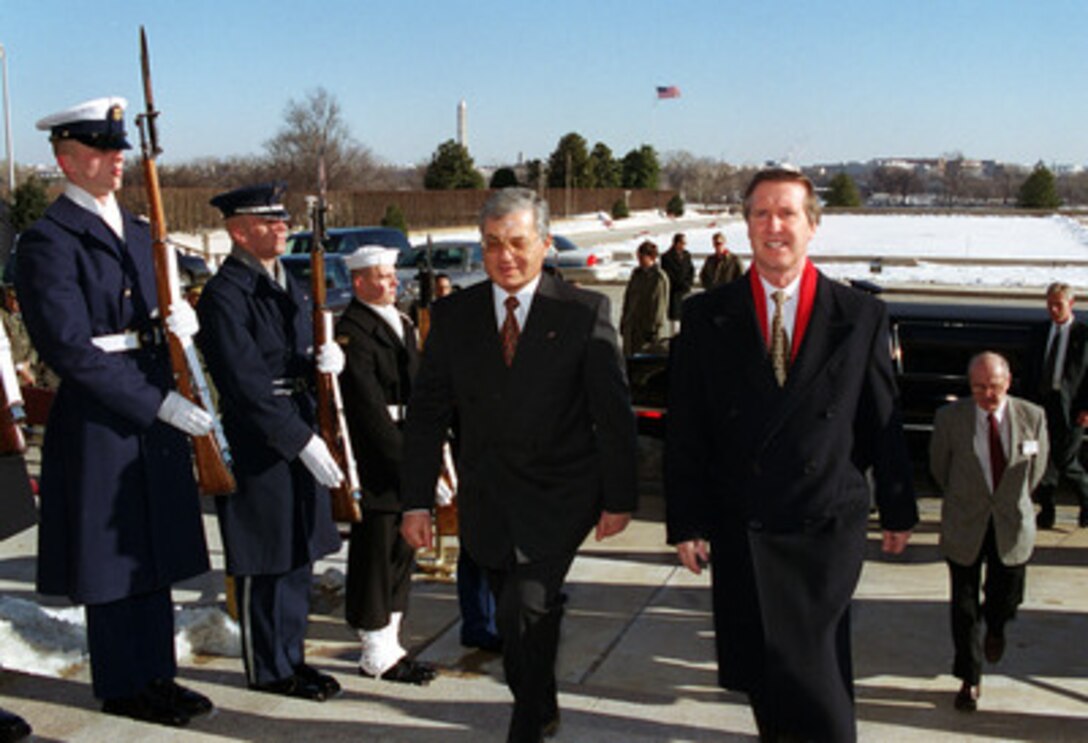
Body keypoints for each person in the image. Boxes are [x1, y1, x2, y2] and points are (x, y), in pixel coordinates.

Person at [664, 167, 918, 743]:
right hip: (743, 525)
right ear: (746, 225)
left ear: (811, 226)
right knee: (765, 677)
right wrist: (687, 520)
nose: (773, 226)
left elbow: (882, 418)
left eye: (786, 214)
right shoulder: (707, 316)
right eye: (760, 214)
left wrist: (898, 507)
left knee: (815, 673)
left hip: (824, 524)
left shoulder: (859, 315)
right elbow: (689, 431)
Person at [399, 187, 638, 742]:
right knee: (513, 616)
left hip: (561, 496)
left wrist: (620, 497)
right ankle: (541, 698)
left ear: (545, 243)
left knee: (527, 605)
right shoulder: (454, 316)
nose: (505, 256)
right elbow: (427, 416)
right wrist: (417, 501)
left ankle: (526, 724)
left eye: (517, 243)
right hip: (488, 500)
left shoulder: (583, 312)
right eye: (492, 244)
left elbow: (613, 413)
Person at [15, 97, 214, 726]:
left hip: (155, 396)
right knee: (109, 558)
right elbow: (68, 347)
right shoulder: (48, 241)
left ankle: (159, 672)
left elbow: (155, 311)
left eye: (118, 148)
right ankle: (124, 680)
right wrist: (155, 402)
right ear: (68, 161)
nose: (117, 159)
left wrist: (181, 320)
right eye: (101, 150)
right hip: (106, 412)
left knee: (150, 548)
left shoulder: (137, 230)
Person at [196, 183, 344, 701]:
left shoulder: (288, 281)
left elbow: (291, 354)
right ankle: (269, 667)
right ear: (238, 231)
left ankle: (293, 657)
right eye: (269, 221)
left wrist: (323, 364)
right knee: (266, 558)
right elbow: (245, 382)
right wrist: (298, 439)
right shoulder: (225, 294)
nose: (283, 227)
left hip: (301, 421)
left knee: (298, 551)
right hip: (262, 438)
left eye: (283, 219)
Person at [337, 245, 436, 685]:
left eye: (393, 275)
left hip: (408, 446)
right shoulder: (353, 330)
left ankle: (391, 644)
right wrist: (409, 464)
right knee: (376, 552)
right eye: (382, 276)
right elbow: (367, 408)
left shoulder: (402, 322)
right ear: (359, 282)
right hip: (379, 456)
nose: (393, 282)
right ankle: (373, 647)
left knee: (402, 551)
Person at [929, 351, 1047, 712]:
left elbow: (1037, 470)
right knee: (964, 607)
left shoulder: (1032, 416)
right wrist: (968, 498)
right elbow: (939, 468)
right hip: (965, 522)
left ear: (1007, 382)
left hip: (1011, 524)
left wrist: (1012, 503)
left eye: (994, 386)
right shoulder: (950, 418)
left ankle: (996, 625)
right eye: (979, 387)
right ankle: (970, 678)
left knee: (1006, 596)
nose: (987, 395)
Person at [1032, 282, 1088, 529]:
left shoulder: (1083, 335)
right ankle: (1046, 509)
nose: (1054, 310)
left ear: (1071, 304)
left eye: (1059, 304)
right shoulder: (1039, 332)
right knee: (1043, 460)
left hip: (1073, 408)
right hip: (1043, 403)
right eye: (1050, 304)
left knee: (1066, 458)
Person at [619, 240, 670, 356]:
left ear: (651, 257)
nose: (640, 260)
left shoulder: (658, 278)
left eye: (642, 257)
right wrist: (624, 321)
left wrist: (652, 330)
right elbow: (628, 299)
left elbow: (658, 305)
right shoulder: (637, 274)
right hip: (632, 328)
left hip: (646, 331)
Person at [659, 232, 693, 334]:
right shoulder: (666, 257)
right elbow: (667, 274)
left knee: (685, 318)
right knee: (674, 322)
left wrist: (688, 283)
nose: (684, 245)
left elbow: (691, 271)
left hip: (685, 291)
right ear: (676, 243)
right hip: (674, 292)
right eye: (682, 243)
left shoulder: (687, 255)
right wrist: (679, 283)